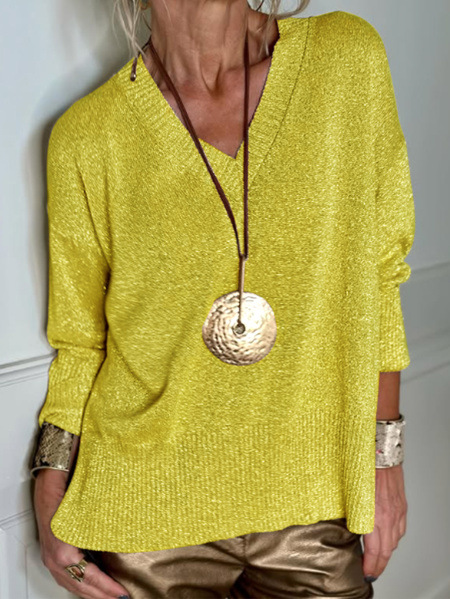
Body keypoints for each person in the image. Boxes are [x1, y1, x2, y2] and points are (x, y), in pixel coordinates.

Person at [31, 0, 415, 597]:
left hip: (314, 504)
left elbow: (380, 276)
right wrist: (49, 484)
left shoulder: (344, 60)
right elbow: (81, 342)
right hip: (145, 516)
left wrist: (385, 460)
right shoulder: (89, 135)